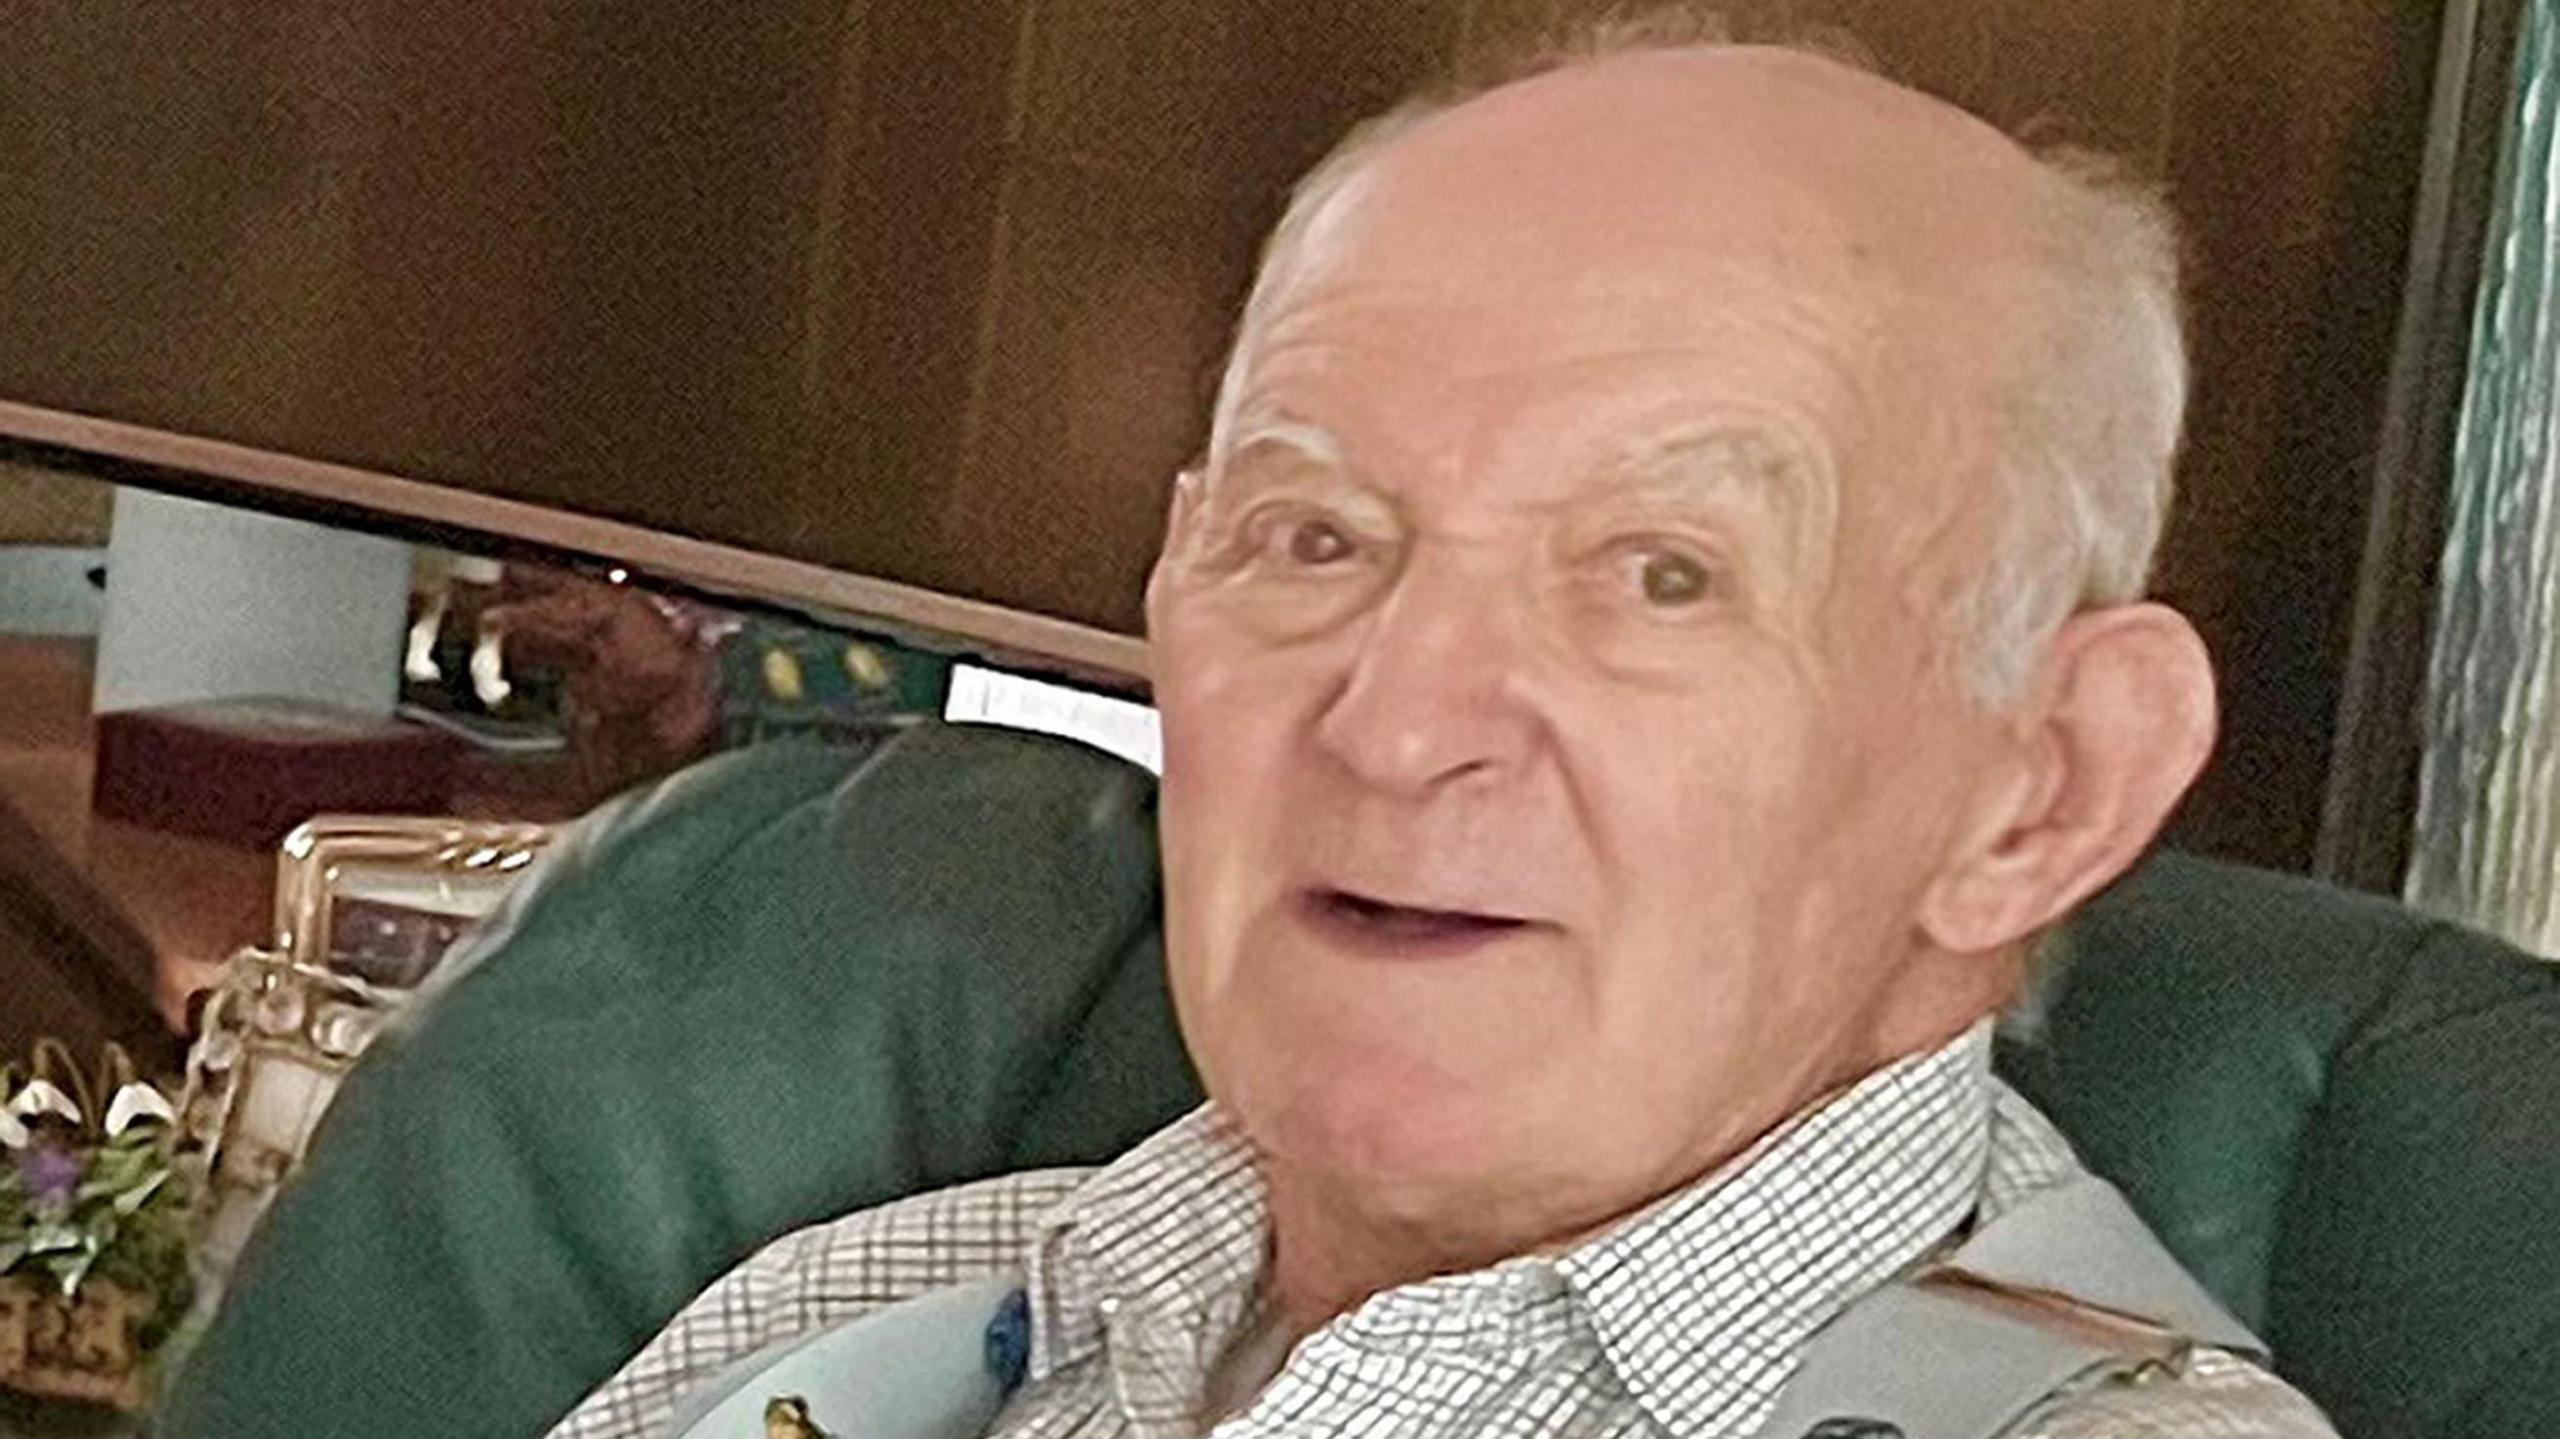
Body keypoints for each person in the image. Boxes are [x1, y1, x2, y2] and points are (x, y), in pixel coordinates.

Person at [552, 13, 2337, 1438]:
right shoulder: (854, 1326)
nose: (1397, 728)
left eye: (1661, 575)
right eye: (1314, 538)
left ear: (2041, 789)